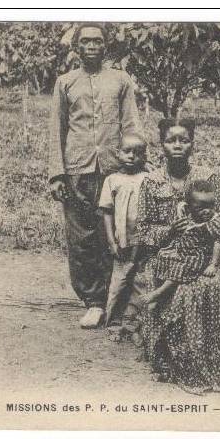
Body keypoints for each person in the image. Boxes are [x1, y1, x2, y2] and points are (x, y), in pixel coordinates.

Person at [135, 117, 220, 394]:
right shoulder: (152, 182)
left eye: (184, 140)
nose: (178, 145)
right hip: (168, 255)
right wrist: (170, 231)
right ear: (161, 145)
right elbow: (145, 231)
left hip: (207, 255)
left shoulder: (207, 179)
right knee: (182, 287)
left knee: (212, 283)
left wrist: (209, 230)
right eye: (171, 140)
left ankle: (215, 361)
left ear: (192, 144)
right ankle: (176, 359)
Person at [48, 23, 142, 328]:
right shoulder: (66, 82)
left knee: (113, 235)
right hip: (78, 170)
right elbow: (56, 131)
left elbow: (132, 125)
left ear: (106, 46)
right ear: (76, 47)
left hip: (115, 170)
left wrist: (140, 163)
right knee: (81, 238)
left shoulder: (120, 80)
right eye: (85, 41)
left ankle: (118, 299)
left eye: (97, 41)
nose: (92, 46)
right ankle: (93, 301)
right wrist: (57, 174)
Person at [139, 180, 220, 306]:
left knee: (180, 267)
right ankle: (161, 297)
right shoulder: (190, 216)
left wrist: (213, 264)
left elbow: (219, 243)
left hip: (199, 255)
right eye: (200, 208)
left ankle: (159, 293)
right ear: (189, 206)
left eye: (210, 206)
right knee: (162, 256)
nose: (207, 211)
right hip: (183, 250)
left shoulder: (215, 223)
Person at [98, 134, 148, 339]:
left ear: (144, 156)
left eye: (137, 153)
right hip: (122, 241)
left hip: (143, 241)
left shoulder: (147, 179)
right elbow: (107, 212)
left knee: (140, 281)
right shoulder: (112, 180)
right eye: (126, 151)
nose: (131, 156)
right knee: (119, 281)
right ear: (118, 153)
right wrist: (111, 241)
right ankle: (114, 323)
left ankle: (134, 323)